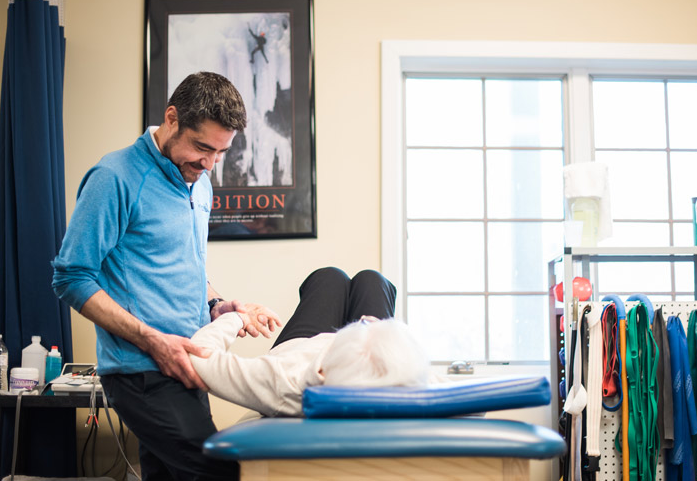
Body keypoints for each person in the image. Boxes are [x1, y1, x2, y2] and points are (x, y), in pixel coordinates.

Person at [52, 71, 281, 481]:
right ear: (171, 118)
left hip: (189, 363)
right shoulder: (115, 178)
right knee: (221, 473)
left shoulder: (200, 181)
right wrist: (151, 340)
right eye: (202, 148)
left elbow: (184, 265)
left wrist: (218, 305)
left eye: (220, 153)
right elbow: (72, 276)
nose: (209, 164)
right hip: (141, 372)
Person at [190, 267, 430, 417]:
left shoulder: (282, 381)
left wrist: (238, 318)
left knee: (329, 277)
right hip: (369, 360)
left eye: (362, 324)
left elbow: (200, 355)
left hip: (299, 344)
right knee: (373, 280)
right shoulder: (400, 374)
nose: (365, 319)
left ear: (323, 367)